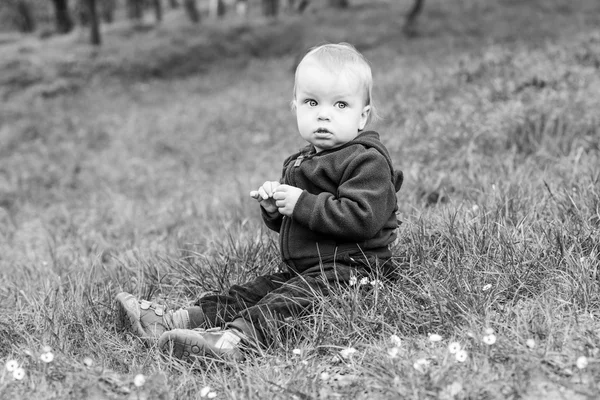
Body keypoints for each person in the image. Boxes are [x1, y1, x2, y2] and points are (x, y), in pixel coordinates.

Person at [115, 42, 403, 361]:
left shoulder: (366, 161)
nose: (324, 114)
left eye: (340, 105)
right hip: (311, 268)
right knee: (254, 292)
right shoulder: (303, 160)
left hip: (356, 273)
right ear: (295, 106)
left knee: (289, 301)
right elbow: (306, 225)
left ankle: (236, 343)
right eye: (312, 102)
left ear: (362, 116)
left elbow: (361, 218)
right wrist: (276, 212)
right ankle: (177, 320)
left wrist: (301, 203)